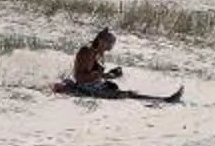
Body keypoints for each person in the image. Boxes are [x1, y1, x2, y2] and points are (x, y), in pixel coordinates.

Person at [54, 27, 182, 103]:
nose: (111, 46)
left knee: (125, 91)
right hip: (84, 88)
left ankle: (163, 99)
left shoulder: (98, 53)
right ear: (101, 41)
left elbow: (94, 74)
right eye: (110, 42)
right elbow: (80, 77)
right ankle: (165, 100)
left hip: (93, 85)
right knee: (128, 94)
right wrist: (104, 75)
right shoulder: (88, 52)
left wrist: (110, 75)